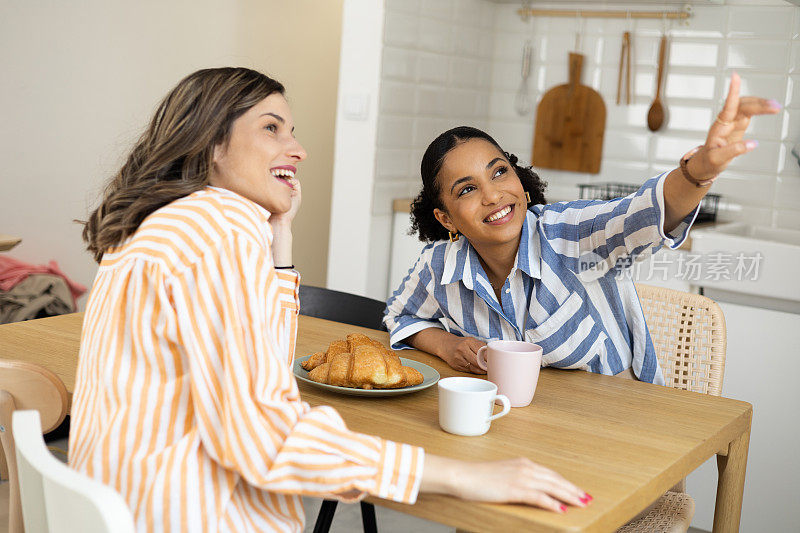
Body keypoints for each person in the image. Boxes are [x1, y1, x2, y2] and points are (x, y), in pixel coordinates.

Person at [68, 67, 590, 532]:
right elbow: (263, 435)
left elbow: (260, 374)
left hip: (126, 505)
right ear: (211, 144)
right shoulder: (216, 233)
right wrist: (460, 475)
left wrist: (281, 240)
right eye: (271, 127)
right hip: (187, 512)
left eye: (292, 131)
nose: (298, 149)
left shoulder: (170, 227)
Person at [385, 74, 779, 381]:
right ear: (446, 218)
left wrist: (699, 173)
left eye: (500, 172)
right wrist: (445, 344)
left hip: (619, 427)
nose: (493, 196)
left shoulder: (569, 234)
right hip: (519, 431)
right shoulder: (439, 265)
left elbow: (641, 213)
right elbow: (399, 317)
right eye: (468, 189)